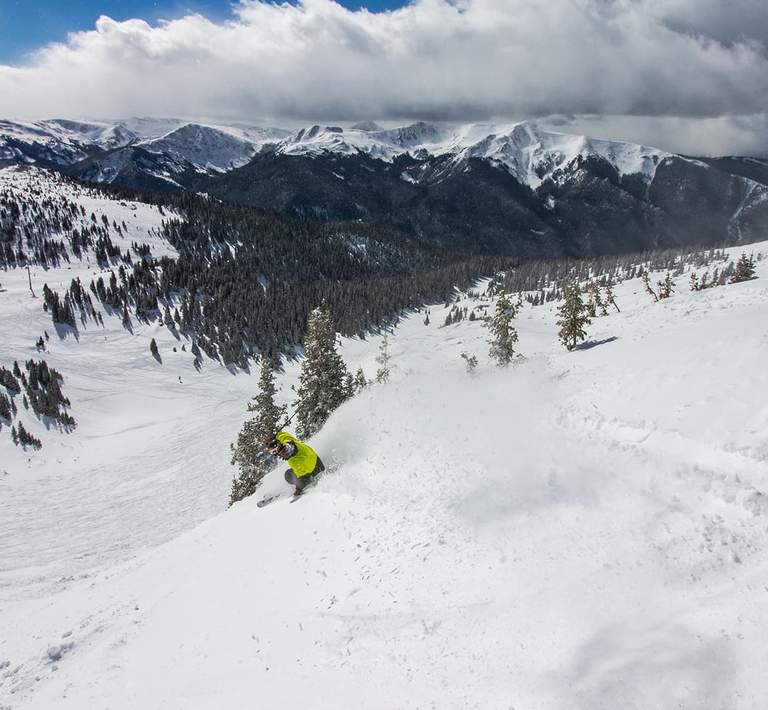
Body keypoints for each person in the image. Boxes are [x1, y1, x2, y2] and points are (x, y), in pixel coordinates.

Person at [267, 431, 325, 496]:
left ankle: (310, 482)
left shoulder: (294, 461)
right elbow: (282, 435)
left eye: (274, 452)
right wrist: (276, 435)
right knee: (293, 472)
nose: (274, 454)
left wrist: (298, 489)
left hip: (316, 470)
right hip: (317, 460)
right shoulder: (288, 440)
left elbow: (300, 474)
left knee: (288, 475)